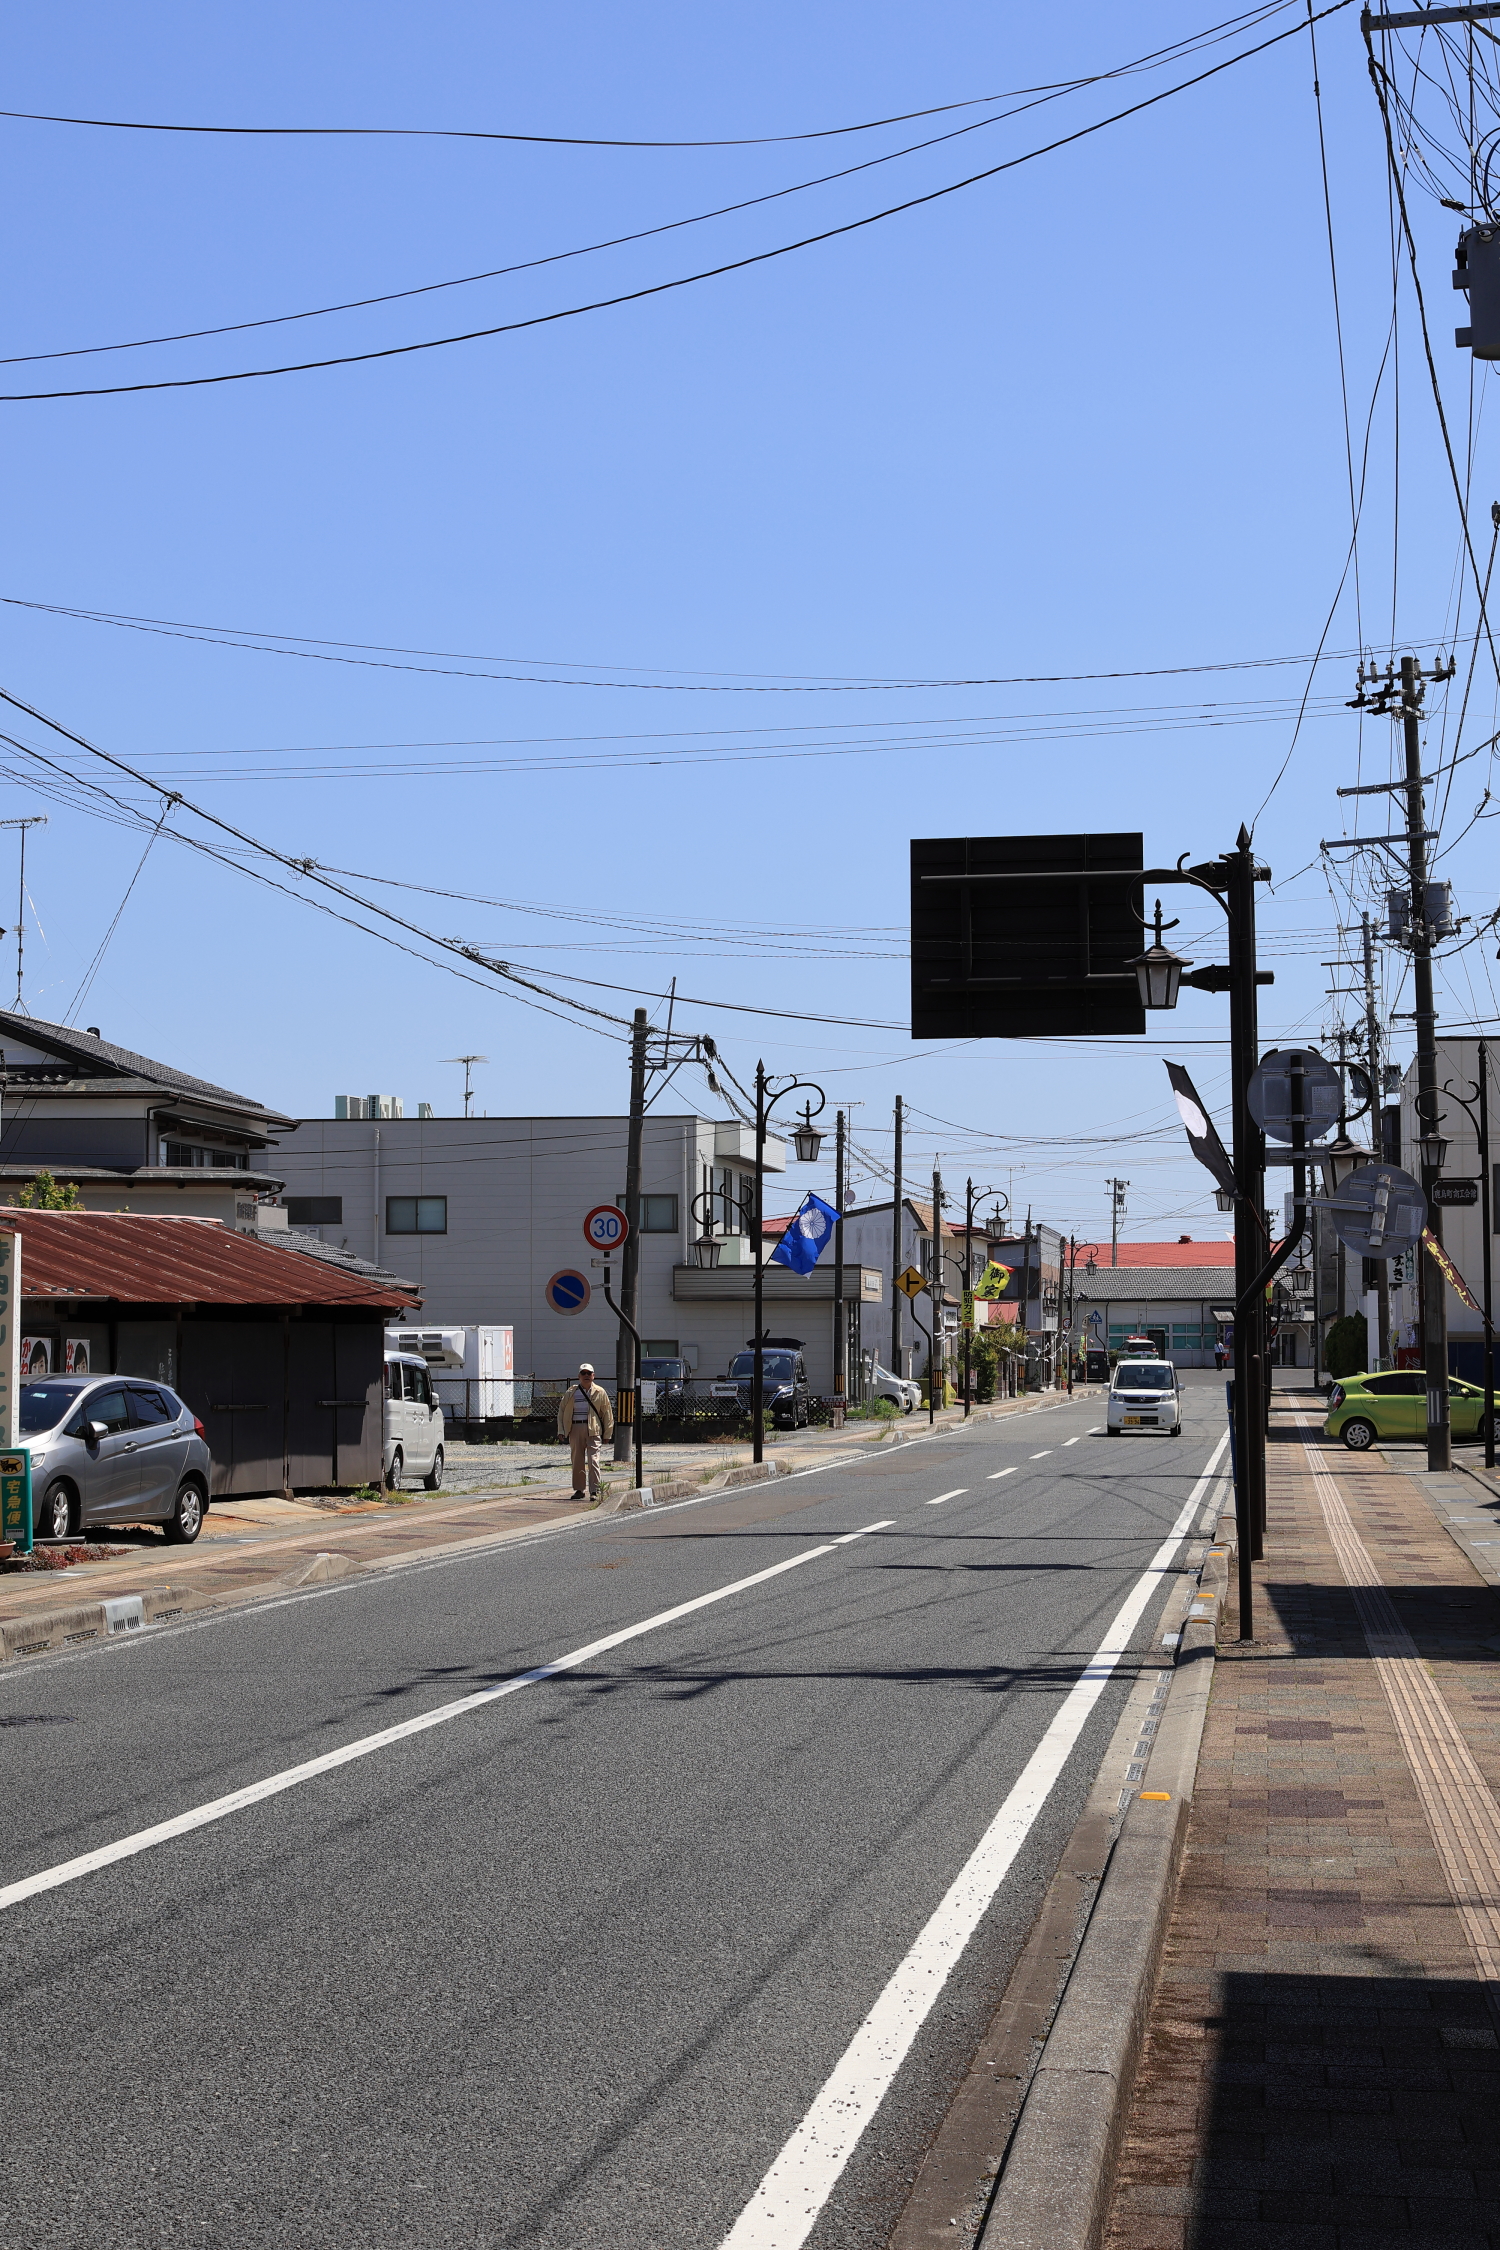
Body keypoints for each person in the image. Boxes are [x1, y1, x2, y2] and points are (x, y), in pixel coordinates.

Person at [556, 1361, 614, 1502]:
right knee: (577, 1460)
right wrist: (561, 1430)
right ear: (579, 1376)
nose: (586, 1375)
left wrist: (608, 1434)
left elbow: (607, 1413)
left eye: (589, 1373)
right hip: (575, 1428)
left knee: (594, 1460)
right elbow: (562, 1412)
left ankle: (594, 1490)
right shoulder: (571, 1392)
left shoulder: (600, 1392)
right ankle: (579, 1490)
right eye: (583, 1373)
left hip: (593, 1429)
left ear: (594, 1376)